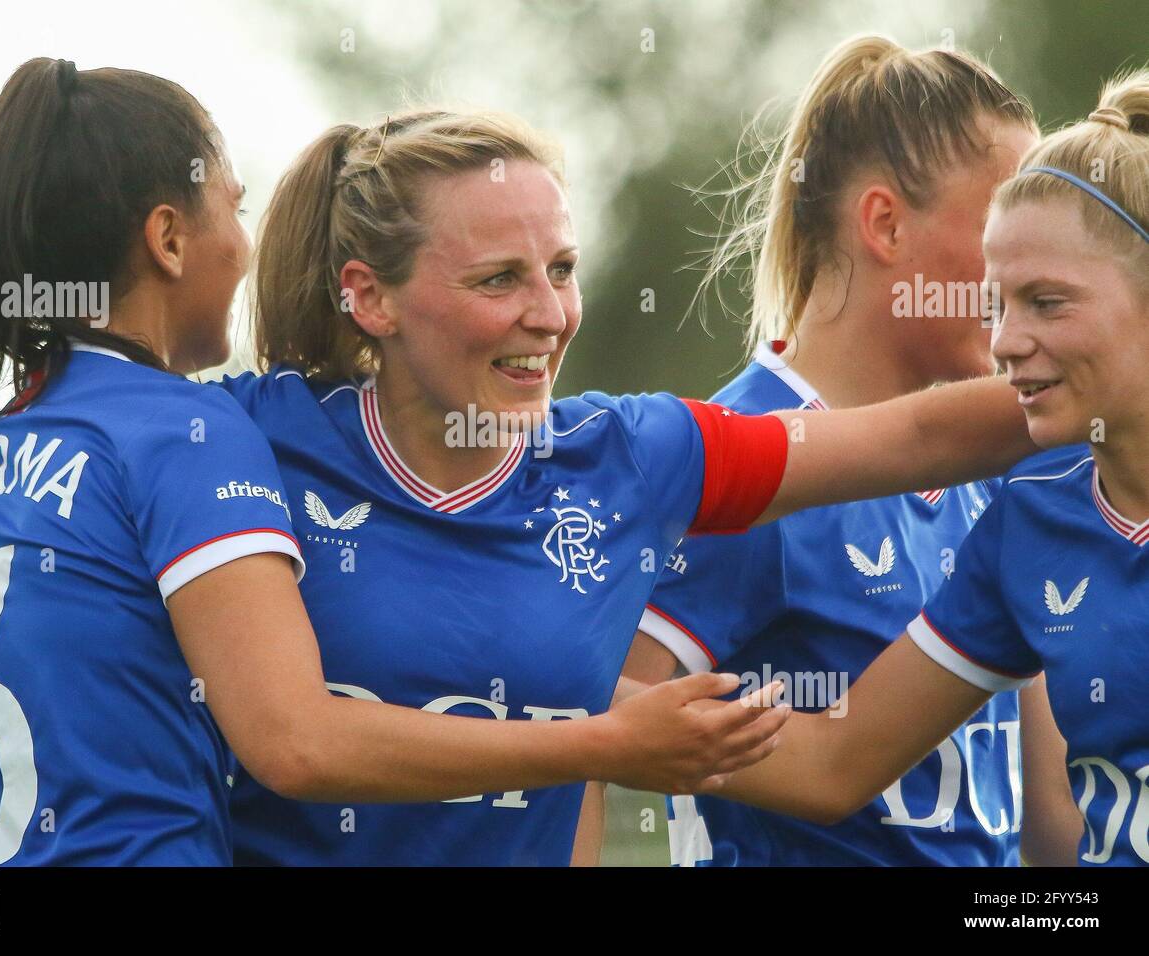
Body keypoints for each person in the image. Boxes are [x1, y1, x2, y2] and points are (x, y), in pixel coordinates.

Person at [0, 59, 793, 867]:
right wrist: (602, 738)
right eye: (235, 206)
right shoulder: (186, 432)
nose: (253, 245)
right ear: (169, 239)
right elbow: (296, 741)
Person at [220, 104, 1039, 865]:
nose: (550, 314)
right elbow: (296, 746)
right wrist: (602, 740)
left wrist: (1108, 374)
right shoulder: (246, 440)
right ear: (368, 297)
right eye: (498, 279)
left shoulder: (631, 456)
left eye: (563, 269)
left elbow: (915, 436)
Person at [604, 36, 1047, 866]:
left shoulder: (989, 472)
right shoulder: (738, 467)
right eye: (1001, 230)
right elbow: (598, 721)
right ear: (884, 223)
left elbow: (1041, 813)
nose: (1026, 268)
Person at [691, 71, 1149, 867]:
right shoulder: (1038, 517)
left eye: (1045, 301)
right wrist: (593, 729)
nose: (1003, 337)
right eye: (998, 299)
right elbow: (838, 762)